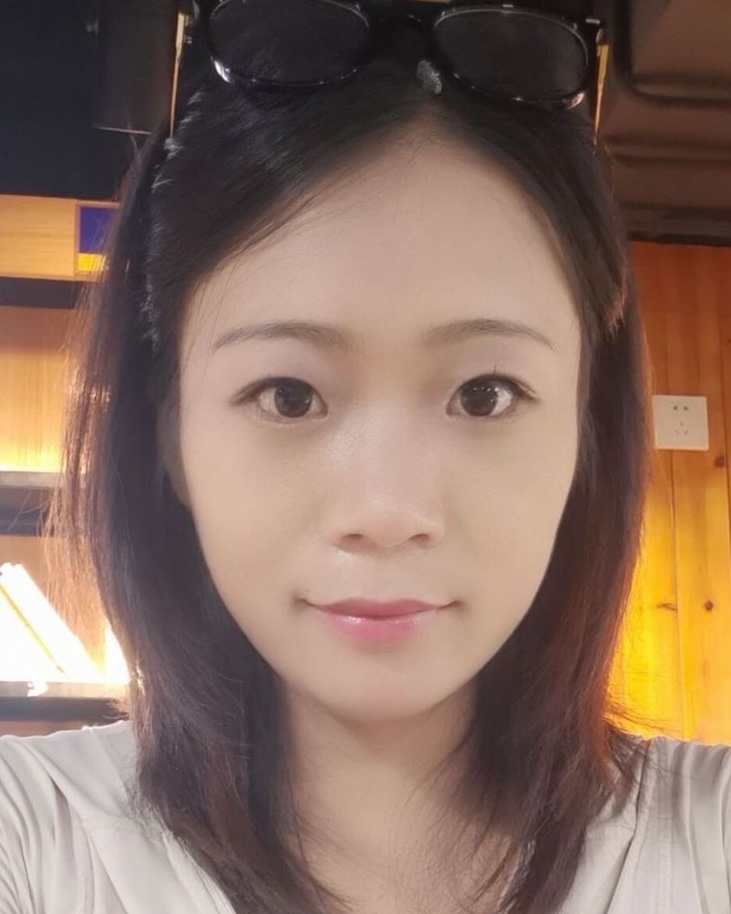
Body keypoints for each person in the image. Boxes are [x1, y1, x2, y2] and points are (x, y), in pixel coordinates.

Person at [1, 1, 730, 913]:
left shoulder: (709, 836)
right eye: (288, 395)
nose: (386, 512)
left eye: (484, 394)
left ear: (585, 436)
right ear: (170, 440)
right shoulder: (37, 835)